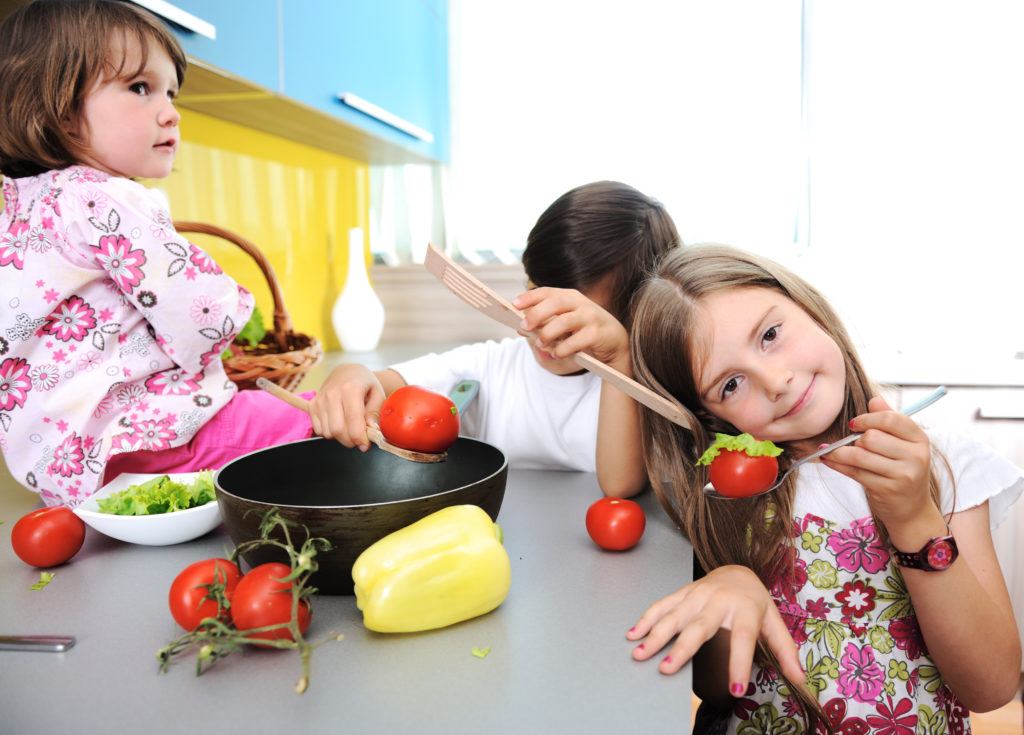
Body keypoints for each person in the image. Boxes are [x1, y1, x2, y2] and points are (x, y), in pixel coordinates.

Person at [623, 244, 1022, 732]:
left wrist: (915, 518)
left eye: (770, 335)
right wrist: (731, 588)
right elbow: (712, 686)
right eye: (730, 384)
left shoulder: (944, 465)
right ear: (710, 417)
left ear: (808, 308)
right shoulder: (724, 496)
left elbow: (993, 687)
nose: (776, 381)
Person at [0, 0, 312, 506]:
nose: (171, 111)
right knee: (316, 427)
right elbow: (200, 310)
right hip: (140, 437)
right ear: (55, 107)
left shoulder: (22, 208)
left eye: (171, 91)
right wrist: (232, 314)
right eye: (140, 88)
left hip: (62, 463)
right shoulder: (102, 195)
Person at [309, 181, 681, 498]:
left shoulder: (654, 394)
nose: (542, 331)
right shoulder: (492, 367)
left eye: (570, 321)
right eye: (536, 294)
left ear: (636, 317)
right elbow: (384, 386)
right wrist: (352, 374)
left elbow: (619, 484)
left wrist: (619, 359)